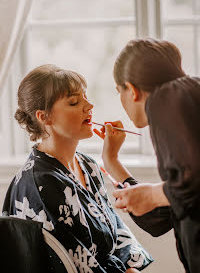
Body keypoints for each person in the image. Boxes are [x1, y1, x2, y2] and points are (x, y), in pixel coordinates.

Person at [2, 64, 153, 273]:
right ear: (44, 117)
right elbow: (70, 263)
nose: (89, 105)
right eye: (74, 102)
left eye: (85, 97)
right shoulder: (40, 183)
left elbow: (116, 230)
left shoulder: (88, 165)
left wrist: (131, 268)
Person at [93, 38, 200, 273]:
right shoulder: (194, 92)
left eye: (118, 92)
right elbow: (163, 216)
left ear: (131, 90)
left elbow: (196, 181)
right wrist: (112, 161)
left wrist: (153, 194)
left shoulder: (167, 97)